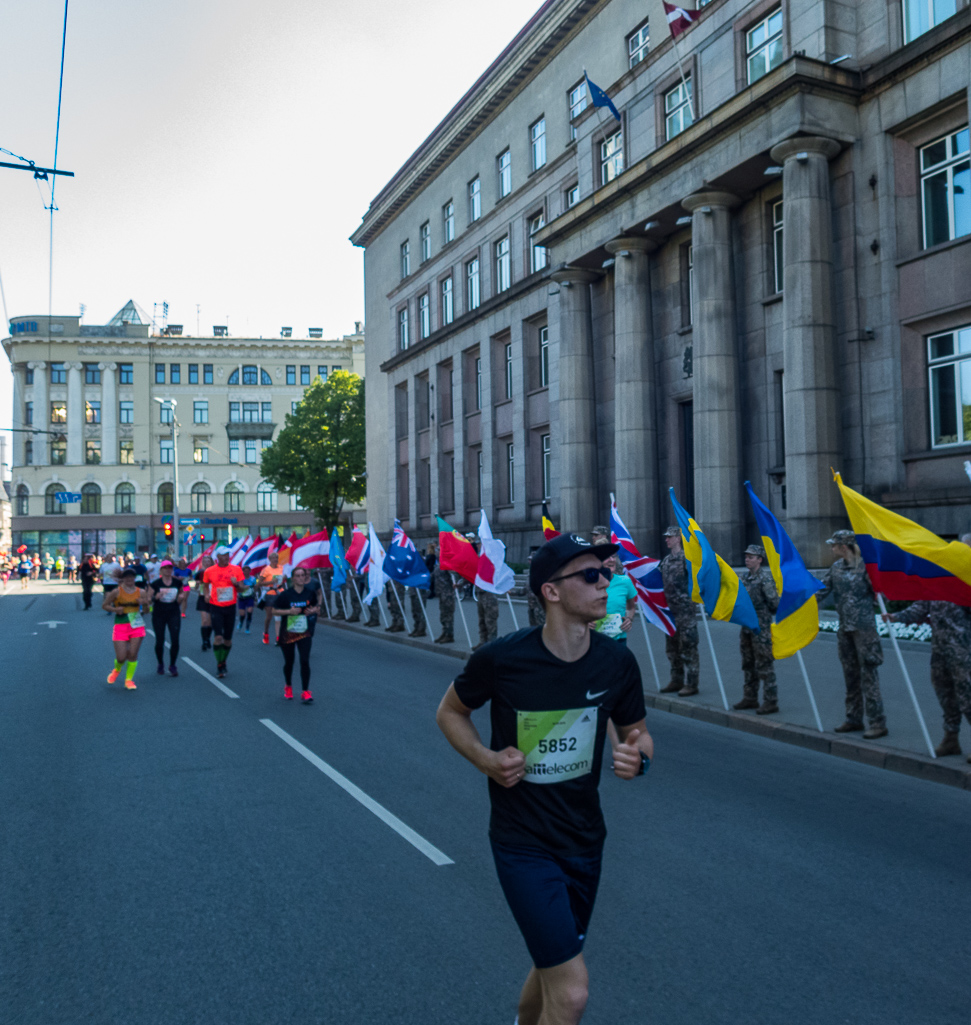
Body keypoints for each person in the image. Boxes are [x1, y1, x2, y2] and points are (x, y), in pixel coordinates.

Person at [436, 533, 653, 1025]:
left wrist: (638, 757)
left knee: (551, 964)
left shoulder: (616, 661)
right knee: (572, 990)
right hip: (523, 845)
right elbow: (450, 711)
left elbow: (637, 732)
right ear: (552, 592)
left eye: (607, 573)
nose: (606, 582)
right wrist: (486, 759)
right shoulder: (502, 658)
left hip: (584, 841)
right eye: (591, 575)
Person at [883, 559, 971, 760]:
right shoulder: (935, 584)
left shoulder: (965, 584)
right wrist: (895, 617)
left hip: (963, 651)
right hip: (939, 650)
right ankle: (951, 739)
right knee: (944, 694)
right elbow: (920, 608)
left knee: (967, 697)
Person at [816, 529, 887, 739]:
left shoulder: (866, 567)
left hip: (864, 631)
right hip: (845, 629)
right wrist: (799, 600)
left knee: (869, 676)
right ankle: (853, 718)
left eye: (834, 544)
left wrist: (881, 596)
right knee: (850, 675)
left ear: (844, 546)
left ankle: (877, 722)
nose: (831, 548)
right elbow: (822, 590)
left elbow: (880, 594)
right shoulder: (836, 568)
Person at [733, 544, 781, 714]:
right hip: (746, 628)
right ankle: (750, 698)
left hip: (761, 630)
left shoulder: (765, 579)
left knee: (764, 665)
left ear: (760, 560)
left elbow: (774, 604)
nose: (747, 559)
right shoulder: (744, 579)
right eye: (746, 557)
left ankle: (771, 701)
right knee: (748, 664)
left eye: (751, 557)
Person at [658, 526, 700, 696]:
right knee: (672, 649)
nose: (667, 539)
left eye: (670, 537)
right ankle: (676, 680)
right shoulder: (666, 561)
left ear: (678, 538)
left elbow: (697, 580)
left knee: (689, 648)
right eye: (666, 537)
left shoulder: (687, 560)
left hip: (685, 612)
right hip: (670, 613)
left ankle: (692, 683)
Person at [272, 565, 321, 703]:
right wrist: (289, 612)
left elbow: (316, 608)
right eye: (298, 576)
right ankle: (288, 685)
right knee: (289, 662)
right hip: (288, 632)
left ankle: (305, 691)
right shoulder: (285, 595)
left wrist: (313, 611)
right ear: (293, 579)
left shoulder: (310, 593)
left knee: (304, 660)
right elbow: (274, 611)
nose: (301, 578)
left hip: (304, 632)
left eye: (303, 575)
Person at [102, 566, 149, 689]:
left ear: (135, 578)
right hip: (121, 625)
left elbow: (147, 611)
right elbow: (105, 605)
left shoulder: (141, 592)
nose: (129, 579)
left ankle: (129, 680)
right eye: (127, 577)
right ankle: (117, 670)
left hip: (137, 625)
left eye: (131, 577)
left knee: (133, 654)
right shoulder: (116, 592)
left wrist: (144, 604)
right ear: (122, 579)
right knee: (121, 657)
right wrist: (115, 609)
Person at [202, 547, 245, 678]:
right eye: (223, 555)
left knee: (227, 640)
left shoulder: (236, 569)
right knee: (218, 637)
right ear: (218, 557)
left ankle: (223, 660)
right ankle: (219, 664)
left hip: (230, 607)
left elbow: (242, 589)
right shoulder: (210, 571)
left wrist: (236, 584)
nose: (226, 557)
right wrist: (206, 594)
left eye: (228, 555)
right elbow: (205, 585)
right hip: (216, 606)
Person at [150, 560, 188, 675]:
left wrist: (181, 597)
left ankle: (172, 665)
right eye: (165, 568)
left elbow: (182, 593)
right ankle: (160, 663)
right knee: (160, 640)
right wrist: (155, 597)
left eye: (170, 568)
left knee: (175, 640)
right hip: (159, 614)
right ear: (161, 570)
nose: (168, 570)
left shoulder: (177, 583)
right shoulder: (155, 583)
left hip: (173, 613)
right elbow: (148, 598)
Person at [591, 553, 637, 645]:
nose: (611, 559)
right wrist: (584, 622)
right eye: (607, 557)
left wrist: (629, 619)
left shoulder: (625, 581)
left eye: (613, 556)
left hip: (619, 641)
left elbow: (631, 607)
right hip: (594, 641)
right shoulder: (588, 583)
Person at [258, 552, 286, 644]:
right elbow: (259, 583)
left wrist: (283, 578)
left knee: (278, 616)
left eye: (276, 558)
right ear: (270, 559)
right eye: (273, 558)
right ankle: (266, 632)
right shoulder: (266, 569)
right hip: (269, 593)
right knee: (269, 616)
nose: (275, 560)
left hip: (279, 593)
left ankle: (278, 638)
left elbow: (283, 579)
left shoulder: (281, 568)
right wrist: (271, 581)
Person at [432, 553, 458, 644]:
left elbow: (456, 575)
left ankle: (449, 635)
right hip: (440, 594)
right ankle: (444, 632)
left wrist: (458, 584)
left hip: (448, 594)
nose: (438, 553)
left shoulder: (448, 564)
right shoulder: (438, 565)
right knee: (443, 615)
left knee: (448, 615)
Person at [194, 555, 214, 649]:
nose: (206, 562)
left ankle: (208, 638)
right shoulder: (200, 572)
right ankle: (204, 642)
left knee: (209, 622)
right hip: (202, 598)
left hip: (212, 599)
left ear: (211, 562)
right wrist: (197, 585)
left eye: (208, 561)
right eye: (205, 561)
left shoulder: (215, 571)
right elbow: (195, 587)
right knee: (204, 620)